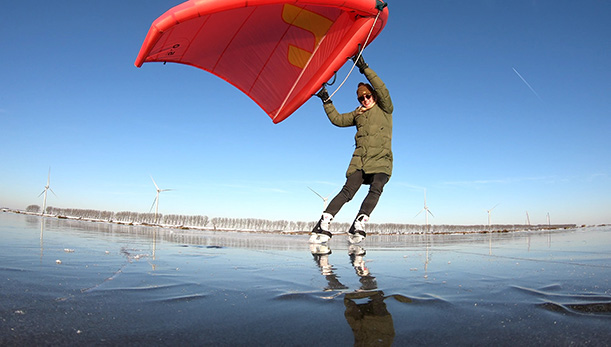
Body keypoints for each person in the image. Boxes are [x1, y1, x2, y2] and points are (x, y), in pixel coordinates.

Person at [310, 53, 393, 244]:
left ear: (374, 95)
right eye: (361, 98)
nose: (365, 99)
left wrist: (363, 67)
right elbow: (338, 120)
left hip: (381, 161)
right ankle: (323, 223)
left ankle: (359, 222)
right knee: (348, 191)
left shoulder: (385, 109)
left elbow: (382, 88)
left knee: (377, 187)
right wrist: (326, 100)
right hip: (360, 162)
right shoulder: (358, 115)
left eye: (368, 95)